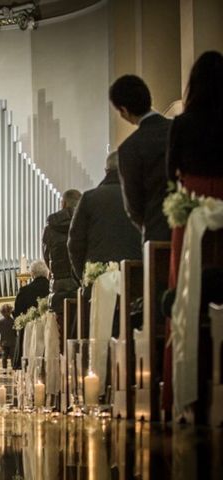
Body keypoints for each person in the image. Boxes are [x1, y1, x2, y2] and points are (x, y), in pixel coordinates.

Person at [163, 50, 223, 418]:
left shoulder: (183, 125)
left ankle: (185, 391)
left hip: (192, 213)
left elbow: (172, 179)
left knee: (188, 293)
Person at [109, 74, 172, 242]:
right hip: (193, 225)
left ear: (124, 110)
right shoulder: (179, 129)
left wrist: (149, 223)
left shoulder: (130, 148)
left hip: (157, 231)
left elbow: (134, 206)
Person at [68, 151, 142, 282]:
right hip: (135, 276)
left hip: (99, 276)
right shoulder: (139, 197)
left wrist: (84, 275)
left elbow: (75, 243)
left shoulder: (89, 198)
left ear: (106, 170)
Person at [42, 189, 82, 315]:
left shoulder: (49, 228)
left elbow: (46, 257)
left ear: (63, 203)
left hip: (58, 286)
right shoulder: (84, 223)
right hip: (80, 283)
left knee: (60, 328)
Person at [12, 260, 50, 364]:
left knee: (27, 365)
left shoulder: (24, 291)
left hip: (28, 336)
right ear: (47, 272)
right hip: (50, 334)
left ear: (32, 274)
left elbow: (17, 317)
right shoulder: (52, 290)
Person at [0, 304, 18, 370]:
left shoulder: (0, 322)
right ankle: (14, 369)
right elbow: (16, 332)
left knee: (4, 356)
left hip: (4, 342)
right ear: (10, 312)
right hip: (13, 341)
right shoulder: (14, 321)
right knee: (12, 356)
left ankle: (4, 369)